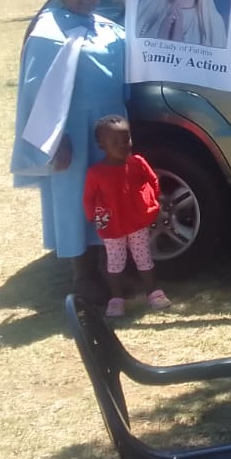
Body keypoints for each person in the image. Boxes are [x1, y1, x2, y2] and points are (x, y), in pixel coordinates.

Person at [11, 0, 126, 301]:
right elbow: (36, 92)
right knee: (76, 199)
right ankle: (83, 276)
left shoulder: (108, 28)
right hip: (72, 130)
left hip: (110, 128)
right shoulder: (47, 33)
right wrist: (55, 139)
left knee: (109, 196)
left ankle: (111, 268)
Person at [83, 115, 171, 317]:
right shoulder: (96, 173)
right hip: (112, 226)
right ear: (101, 145)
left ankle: (153, 293)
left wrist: (152, 199)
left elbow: (152, 180)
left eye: (126, 139)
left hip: (136, 222)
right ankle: (116, 299)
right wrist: (92, 216)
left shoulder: (138, 162)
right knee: (115, 262)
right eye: (115, 142)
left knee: (143, 256)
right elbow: (88, 197)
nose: (123, 145)